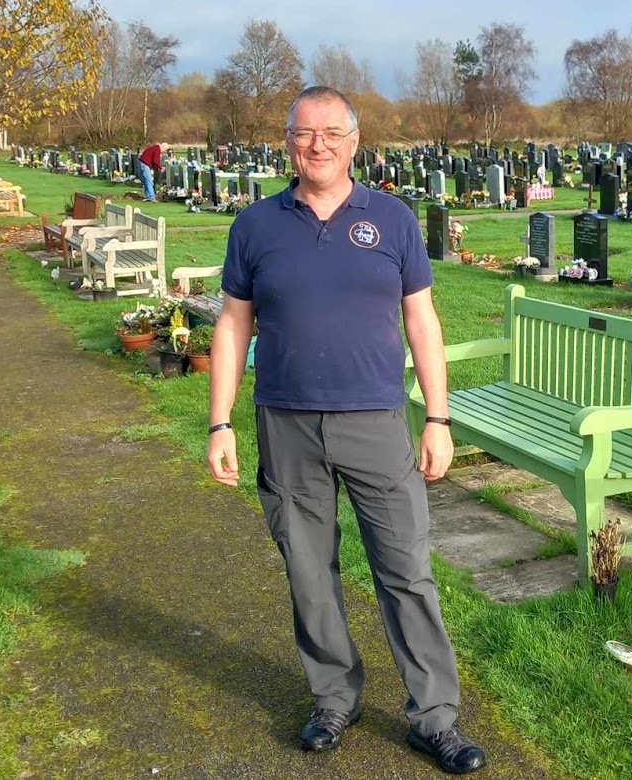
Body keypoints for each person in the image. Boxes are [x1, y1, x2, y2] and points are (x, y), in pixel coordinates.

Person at [206, 87, 486, 775]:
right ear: (288, 140)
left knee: (406, 571)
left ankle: (435, 719)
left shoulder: (391, 220)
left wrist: (439, 418)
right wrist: (220, 422)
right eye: (306, 133)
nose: (319, 144)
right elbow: (233, 323)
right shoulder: (255, 226)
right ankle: (334, 698)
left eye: (333, 132)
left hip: (377, 422)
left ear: (355, 141)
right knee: (309, 572)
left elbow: (422, 320)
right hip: (286, 422)